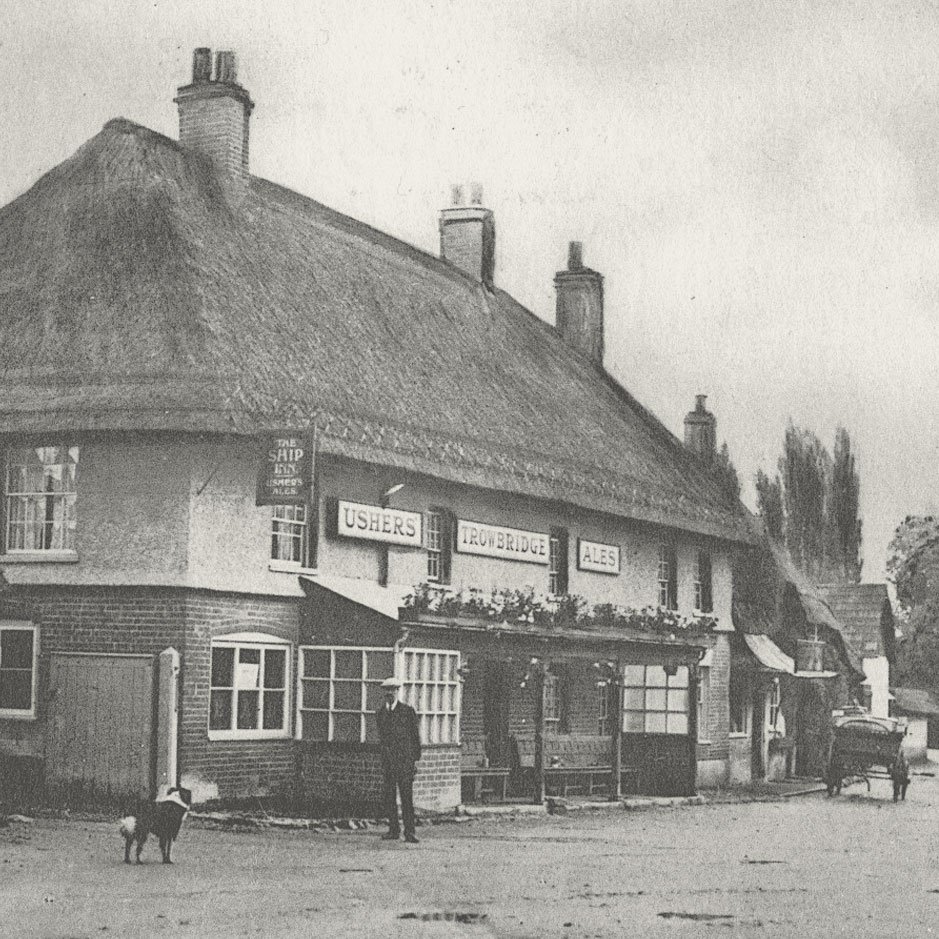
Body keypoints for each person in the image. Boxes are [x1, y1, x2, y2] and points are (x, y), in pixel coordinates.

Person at [376, 676, 422, 843]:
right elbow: (382, 738)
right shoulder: (381, 713)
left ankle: (410, 832)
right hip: (388, 762)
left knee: (406, 798)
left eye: (392, 690)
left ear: (397, 691)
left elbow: (415, 737)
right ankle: (393, 830)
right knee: (389, 797)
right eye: (387, 691)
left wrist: (414, 760)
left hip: (404, 762)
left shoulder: (407, 712)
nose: (390, 694)